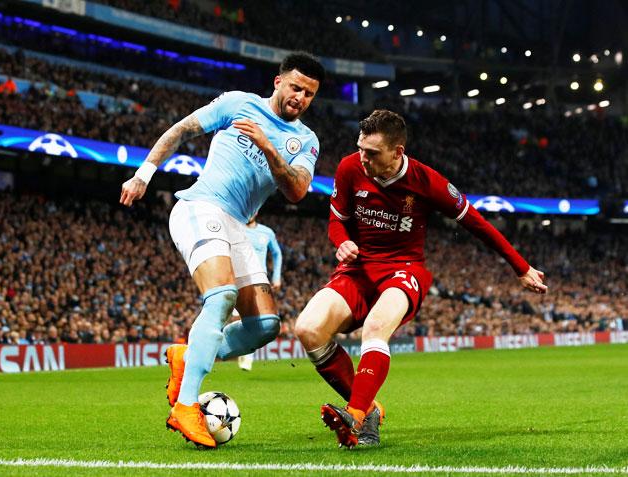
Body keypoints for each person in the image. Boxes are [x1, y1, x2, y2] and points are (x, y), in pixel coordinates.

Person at [294, 109, 548, 449]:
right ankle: (367, 409)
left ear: (397, 152)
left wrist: (521, 267)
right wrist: (342, 242)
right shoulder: (349, 167)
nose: (362, 158)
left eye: (372, 153)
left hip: (404, 269)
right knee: (307, 329)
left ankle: (354, 415)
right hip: (357, 268)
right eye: (360, 149)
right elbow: (336, 221)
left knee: (375, 328)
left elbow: (477, 223)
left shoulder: (427, 181)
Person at [120, 52, 324, 448]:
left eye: (310, 94)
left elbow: (297, 190)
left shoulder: (307, 141)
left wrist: (267, 146)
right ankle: (184, 407)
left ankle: (188, 357)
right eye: (296, 87)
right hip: (201, 207)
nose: (300, 97)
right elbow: (181, 130)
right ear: (278, 82)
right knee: (221, 296)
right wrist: (144, 173)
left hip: (239, 227)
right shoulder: (237, 103)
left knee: (265, 326)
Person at [237, 214, 283, 371]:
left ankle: (248, 355)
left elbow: (277, 253)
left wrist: (276, 276)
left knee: (258, 319)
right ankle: (242, 348)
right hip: (239, 276)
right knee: (237, 317)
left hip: (259, 278)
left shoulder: (267, 232)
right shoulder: (236, 228)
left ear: (256, 212)